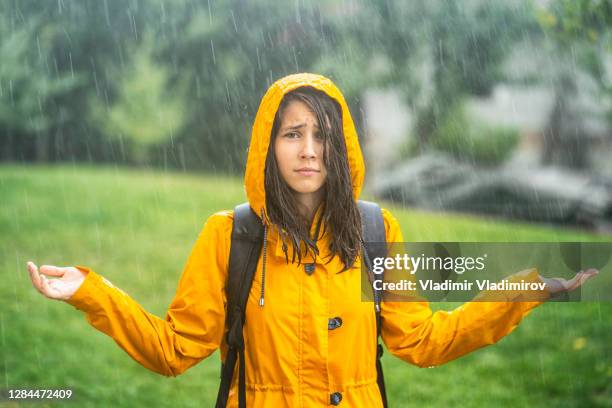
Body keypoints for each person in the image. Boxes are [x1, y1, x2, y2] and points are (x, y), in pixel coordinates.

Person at [27, 73, 598, 407]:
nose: (308, 150)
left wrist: (527, 291)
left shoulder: (377, 231)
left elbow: (422, 340)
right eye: (292, 134)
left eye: (322, 136)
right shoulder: (230, 235)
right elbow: (175, 350)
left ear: (341, 146)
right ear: (267, 145)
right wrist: (89, 290)